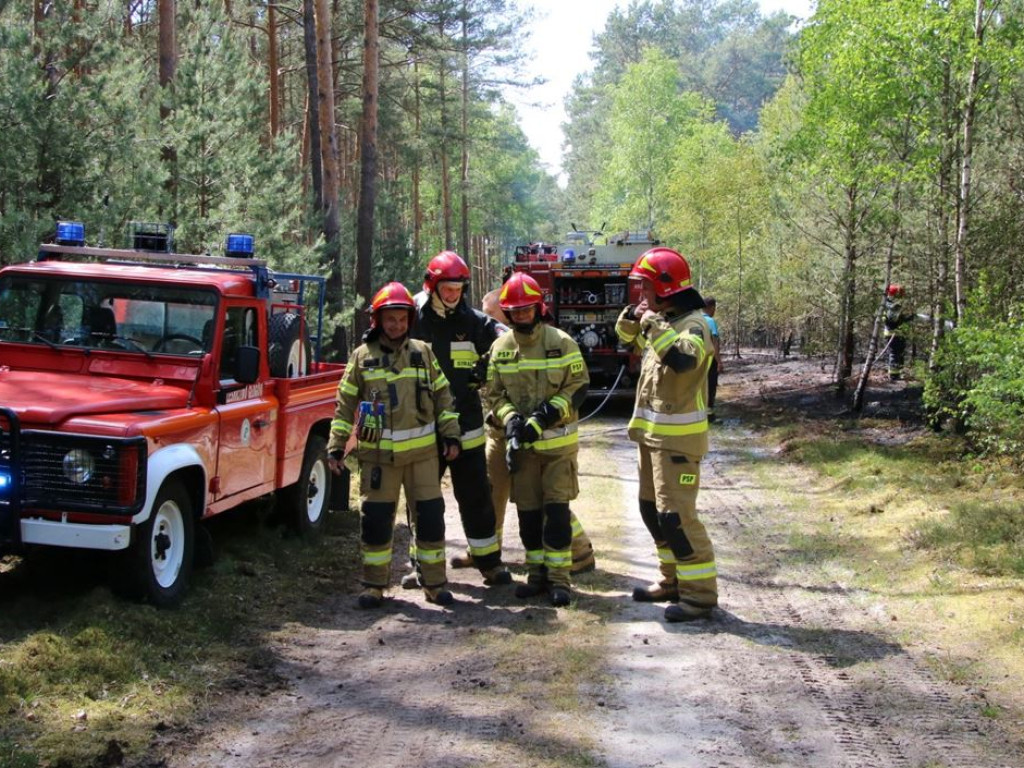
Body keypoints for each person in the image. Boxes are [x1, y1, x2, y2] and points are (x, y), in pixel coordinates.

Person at [327, 281, 462, 609]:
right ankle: (374, 586)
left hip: (423, 457)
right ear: (378, 320)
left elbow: (443, 396)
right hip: (378, 459)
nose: (396, 325)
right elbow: (345, 405)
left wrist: (452, 434)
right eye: (390, 319)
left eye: (402, 319)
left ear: (410, 319)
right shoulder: (361, 357)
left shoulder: (423, 352)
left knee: (430, 518)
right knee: (375, 520)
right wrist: (336, 445)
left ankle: (434, 583)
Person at [615, 247, 717, 622]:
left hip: (678, 444)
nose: (641, 296)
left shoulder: (694, 325)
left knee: (677, 517)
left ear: (666, 288)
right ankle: (671, 580)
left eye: (645, 288)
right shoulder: (666, 321)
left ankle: (700, 596)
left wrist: (652, 324)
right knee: (650, 512)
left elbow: (683, 359)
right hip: (652, 439)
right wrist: (633, 319)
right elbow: (630, 339)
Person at [405, 250, 511, 586]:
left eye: (458, 289)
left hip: (466, 426)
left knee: (477, 496)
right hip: (424, 426)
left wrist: (493, 356)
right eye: (448, 288)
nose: (454, 295)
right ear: (432, 285)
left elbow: (502, 336)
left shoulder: (473, 321)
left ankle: (489, 563)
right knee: (423, 500)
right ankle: (421, 566)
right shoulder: (412, 316)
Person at [485, 272, 589, 607]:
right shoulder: (500, 349)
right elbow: (494, 394)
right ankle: (536, 575)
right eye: (515, 311)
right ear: (507, 313)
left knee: (556, 514)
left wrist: (544, 417)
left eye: (527, 310)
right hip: (524, 451)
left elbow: (578, 387)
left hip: (558, 448)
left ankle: (560, 580)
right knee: (528, 515)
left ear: (537, 307)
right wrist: (512, 421)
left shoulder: (561, 342)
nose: (521, 316)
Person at [883, 284, 911, 380]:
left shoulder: (892, 305)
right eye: (900, 295)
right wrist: (903, 320)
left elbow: (898, 319)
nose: (902, 297)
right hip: (892, 334)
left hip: (899, 333)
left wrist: (907, 318)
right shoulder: (891, 305)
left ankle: (898, 373)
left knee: (900, 354)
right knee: (894, 354)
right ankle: (894, 375)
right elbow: (892, 321)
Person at [703, 297, 722, 422]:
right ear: (711, 307)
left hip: (697, 360)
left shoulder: (695, 320)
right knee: (711, 385)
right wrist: (719, 361)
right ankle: (709, 415)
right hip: (710, 360)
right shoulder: (710, 321)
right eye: (714, 308)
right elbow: (714, 342)